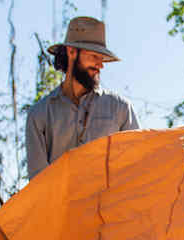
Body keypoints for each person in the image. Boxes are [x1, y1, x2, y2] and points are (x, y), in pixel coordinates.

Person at [25, 16, 139, 178]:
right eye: (94, 56)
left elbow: (136, 167)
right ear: (71, 52)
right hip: (60, 203)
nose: (101, 65)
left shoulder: (121, 108)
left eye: (102, 58)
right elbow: (38, 182)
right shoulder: (40, 114)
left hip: (110, 203)